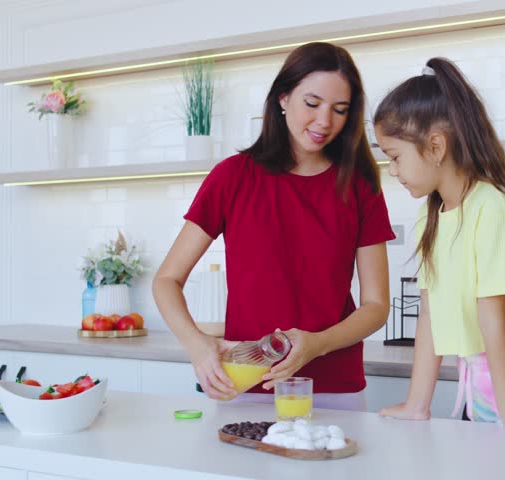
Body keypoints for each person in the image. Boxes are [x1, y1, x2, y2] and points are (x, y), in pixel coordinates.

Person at [153, 42, 395, 411]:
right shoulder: (232, 177)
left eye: (339, 110)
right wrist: (198, 344)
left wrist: (318, 344)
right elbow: (166, 280)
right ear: (283, 98)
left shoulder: (360, 186)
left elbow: (376, 305)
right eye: (312, 104)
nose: (324, 121)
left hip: (335, 390)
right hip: (248, 385)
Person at [374, 58, 505, 435]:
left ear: (435, 146)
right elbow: (430, 316)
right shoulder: (430, 218)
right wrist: (417, 404)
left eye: (395, 156)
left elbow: (492, 319)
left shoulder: (494, 209)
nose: (393, 171)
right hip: (480, 373)